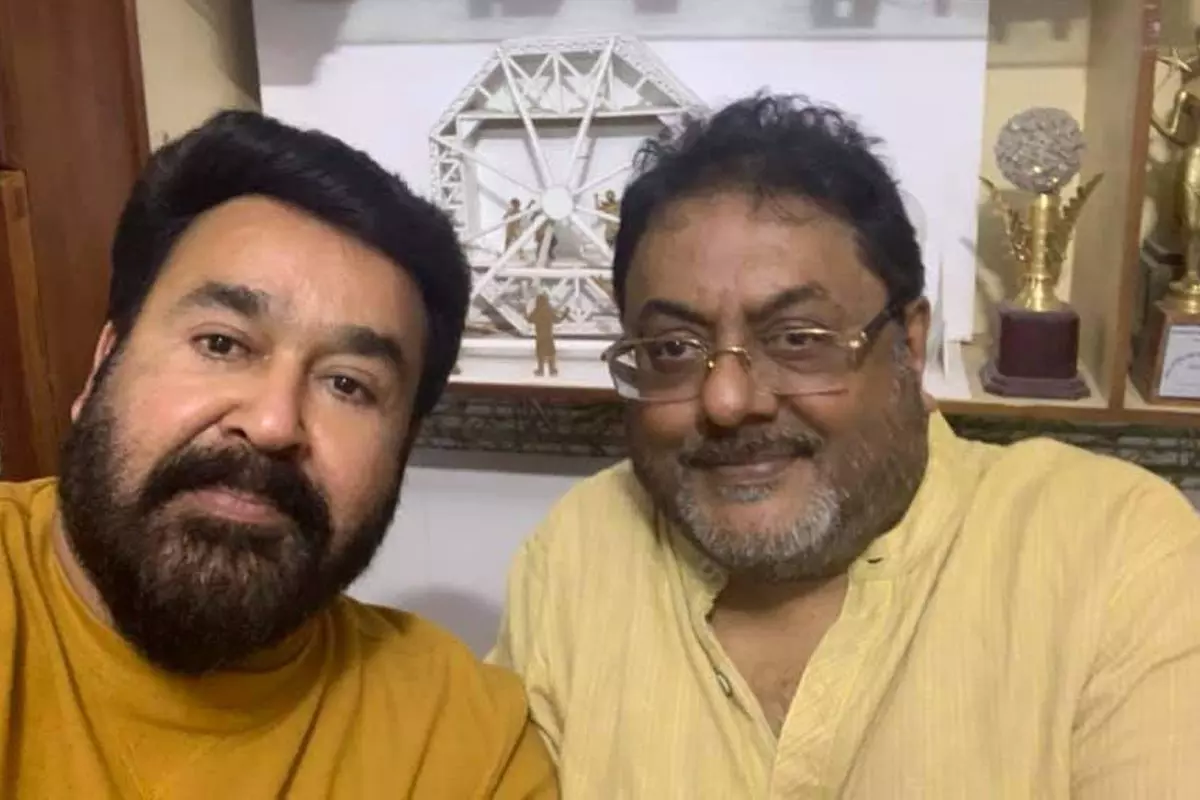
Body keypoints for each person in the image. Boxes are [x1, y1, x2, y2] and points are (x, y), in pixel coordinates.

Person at [489, 93, 1200, 797]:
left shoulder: (1109, 552)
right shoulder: (578, 554)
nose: (728, 400)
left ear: (910, 346)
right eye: (673, 348)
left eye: (798, 339)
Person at [0, 110, 556, 798]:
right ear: (102, 365)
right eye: (222, 344)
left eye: (348, 385)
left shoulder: (464, 742)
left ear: (403, 451)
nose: (272, 424)